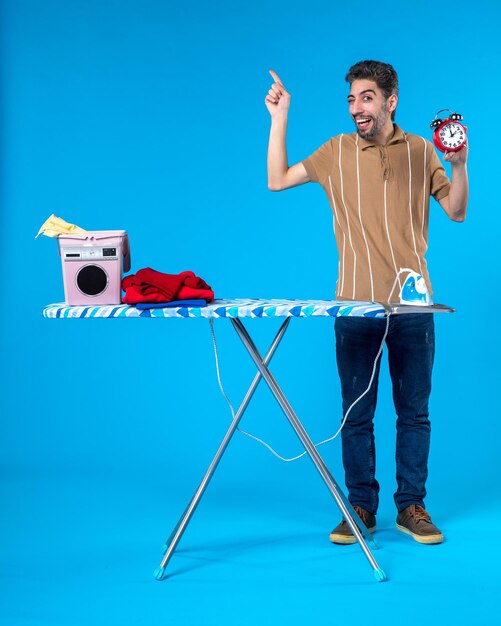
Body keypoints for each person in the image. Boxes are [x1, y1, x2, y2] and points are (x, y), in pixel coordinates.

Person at [265, 60, 468, 545]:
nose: (358, 108)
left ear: (390, 100)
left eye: (367, 98)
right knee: (356, 414)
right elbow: (277, 180)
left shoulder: (421, 151)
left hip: (414, 307)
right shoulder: (335, 151)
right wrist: (280, 119)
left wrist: (459, 166)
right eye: (352, 99)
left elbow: (457, 211)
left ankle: (411, 506)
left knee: (414, 411)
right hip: (354, 307)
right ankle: (360, 507)